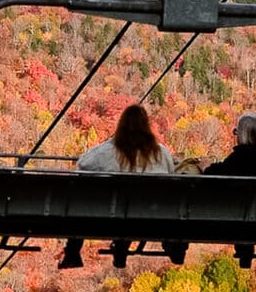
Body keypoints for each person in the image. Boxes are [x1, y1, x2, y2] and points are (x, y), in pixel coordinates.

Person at [60, 104, 181, 270]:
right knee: (135, 206)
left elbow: (83, 164)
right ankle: (124, 245)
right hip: (154, 218)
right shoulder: (161, 153)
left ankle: (74, 250)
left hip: (110, 219)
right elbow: (170, 173)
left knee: (84, 199)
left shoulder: (109, 152)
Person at [200, 112, 256, 266]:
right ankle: (245, 249)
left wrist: (204, 166)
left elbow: (217, 175)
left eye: (237, 132)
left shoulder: (241, 157)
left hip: (238, 218)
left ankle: (243, 248)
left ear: (244, 134)